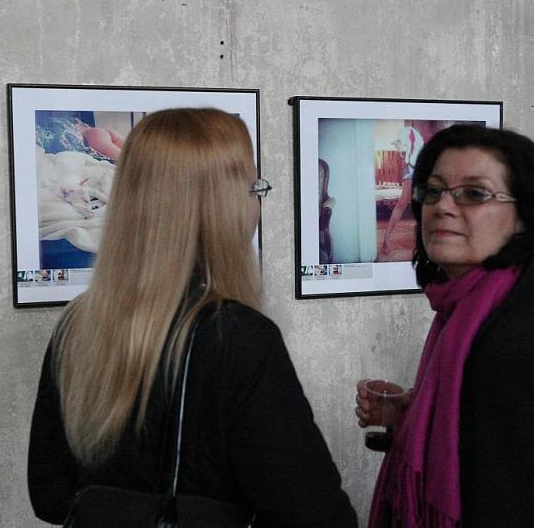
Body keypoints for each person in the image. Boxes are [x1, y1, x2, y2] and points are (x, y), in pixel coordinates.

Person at [28, 108, 358, 527]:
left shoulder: (77, 325)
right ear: (222, 205)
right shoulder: (238, 337)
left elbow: (52, 497)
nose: (257, 201)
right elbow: (315, 516)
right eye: (255, 186)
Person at [355, 125, 534, 527]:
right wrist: (419, 412)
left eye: (474, 194)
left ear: (526, 214)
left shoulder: (526, 336)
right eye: (433, 191)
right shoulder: (482, 306)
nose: (443, 207)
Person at [379, 126, 424, 256]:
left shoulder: (417, 142)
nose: (401, 152)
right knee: (401, 204)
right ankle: (386, 238)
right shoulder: (408, 139)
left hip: (420, 170)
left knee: (421, 206)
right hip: (411, 171)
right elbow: (409, 162)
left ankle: (422, 242)